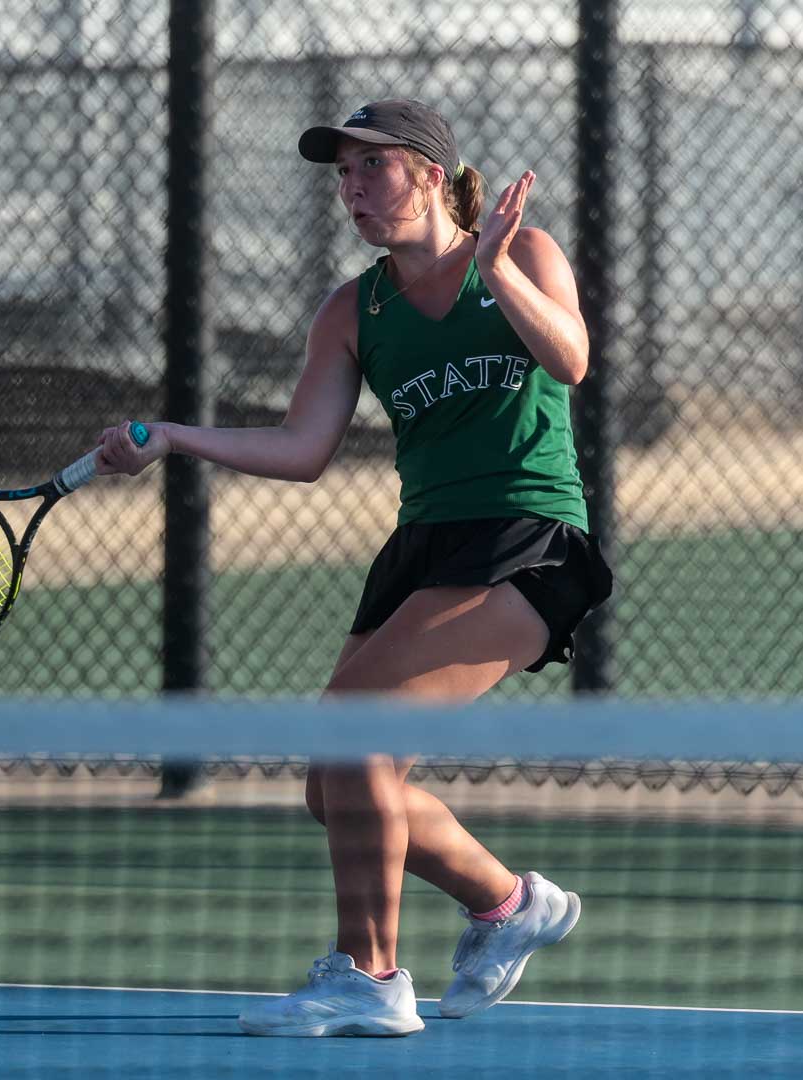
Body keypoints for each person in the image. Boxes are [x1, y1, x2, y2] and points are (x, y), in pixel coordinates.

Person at [94, 98, 613, 1038]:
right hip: (423, 546)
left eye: (372, 166)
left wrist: (497, 268)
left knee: (354, 733)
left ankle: (370, 977)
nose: (352, 189)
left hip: (529, 537)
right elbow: (304, 448)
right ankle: (508, 904)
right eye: (343, 173)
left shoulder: (525, 253)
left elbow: (571, 359)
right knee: (332, 788)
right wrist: (172, 437)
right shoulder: (353, 310)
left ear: (430, 174)